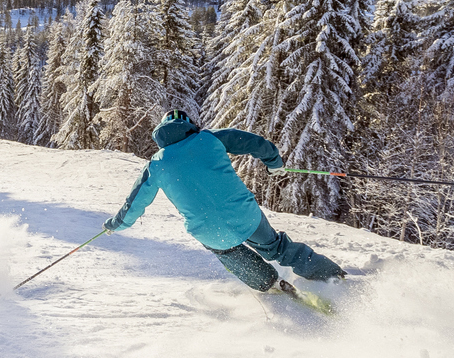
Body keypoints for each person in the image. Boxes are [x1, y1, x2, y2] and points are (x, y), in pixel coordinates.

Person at [103, 110, 345, 295]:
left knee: (227, 250)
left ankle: (270, 284)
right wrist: (273, 162)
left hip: (209, 229)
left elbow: (133, 204)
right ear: (188, 124)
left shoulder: (155, 165)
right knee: (277, 247)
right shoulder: (209, 139)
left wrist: (115, 225)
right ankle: (332, 276)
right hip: (244, 214)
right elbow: (253, 143)